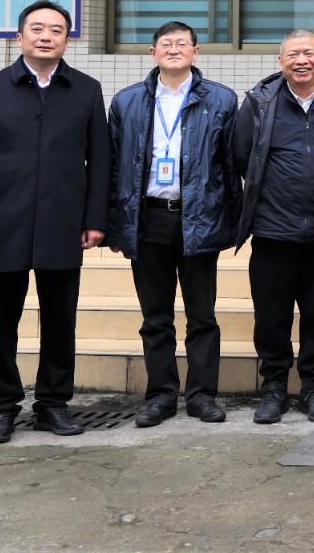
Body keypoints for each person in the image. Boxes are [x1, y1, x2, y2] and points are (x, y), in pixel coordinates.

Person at [0, 0, 109, 445]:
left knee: (60, 321)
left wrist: (94, 219)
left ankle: (53, 404)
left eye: (56, 30)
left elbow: (100, 161)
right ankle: (2, 408)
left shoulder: (86, 90)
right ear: (19, 36)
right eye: (37, 28)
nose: (46, 36)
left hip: (64, 224)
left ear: (67, 40)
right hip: (3, 227)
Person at [105, 21, 240, 428]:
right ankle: (161, 396)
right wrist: (114, 225)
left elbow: (231, 167)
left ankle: (202, 396)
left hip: (198, 217)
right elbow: (114, 168)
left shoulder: (221, 99)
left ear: (196, 52)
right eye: (167, 44)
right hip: (147, 219)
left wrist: (232, 223)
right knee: (155, 317)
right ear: (153, 53)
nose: (175, 49)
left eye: (183, 43)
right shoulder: (127, 102)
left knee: (202, 316)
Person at [233, 30, 314, 424]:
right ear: (281, 62)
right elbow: (240, 156)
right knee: (271, 318)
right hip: (273, 233)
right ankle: (273, 388)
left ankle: (313, 389)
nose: (301, 60)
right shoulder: (258, 104)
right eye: (292, 54)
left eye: (308, 53)